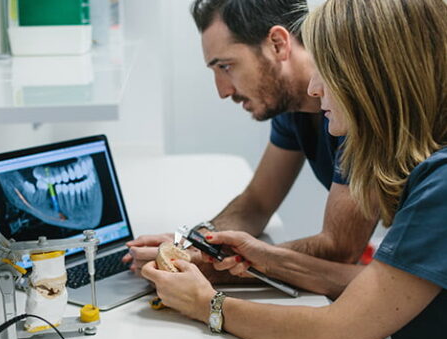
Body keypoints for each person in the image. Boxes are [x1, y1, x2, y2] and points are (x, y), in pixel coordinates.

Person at [141, 0, 447, 339]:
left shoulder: (440, 184)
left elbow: (334, 337)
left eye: (329, 71)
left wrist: (207, 304)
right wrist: (255, 258)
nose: (315, 89)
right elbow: (385, 285)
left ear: (374, 78)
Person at [123, 0, 376, 299]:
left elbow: (340, 248)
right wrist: (190, 244)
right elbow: (255, 203)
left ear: (278, 44)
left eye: (226, 66)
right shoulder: (290, 106)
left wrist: (208, 264)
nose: (222, 91)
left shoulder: (354, 111)